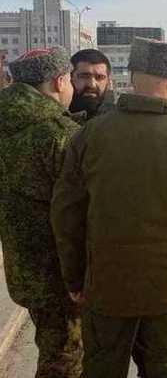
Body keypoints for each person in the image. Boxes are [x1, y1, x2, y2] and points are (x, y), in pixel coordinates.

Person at [51, 37, 167, 378]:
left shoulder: (90, 135)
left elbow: (66, 215)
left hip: (106, 290)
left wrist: (75, 277)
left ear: (132, 79)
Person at [0, 48, 82, 377]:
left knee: (52, 346)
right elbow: (79, 210)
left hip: (23, 269)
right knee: (64, 358)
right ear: (59, 80)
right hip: (60, 275)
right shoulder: (58, 135)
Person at [68, 48, 115, 120]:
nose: (92, 84)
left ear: (108, 82)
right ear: (70, 78)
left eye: (99, 77)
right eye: (84, 76)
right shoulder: (55, 119)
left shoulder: (119, 120)